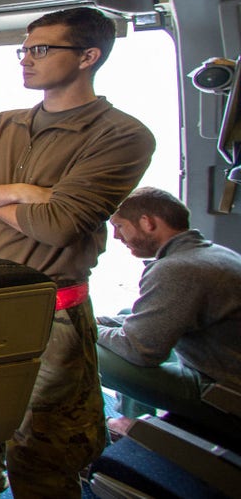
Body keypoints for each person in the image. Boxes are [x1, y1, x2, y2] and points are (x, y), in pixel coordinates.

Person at [0, 7, 156, 498]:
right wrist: (23, 191)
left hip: (51, 314)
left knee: (42, 460)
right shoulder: (1, 125)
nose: (26, 59)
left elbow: (59, 226)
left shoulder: (121, 135)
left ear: (88, 57)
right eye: (24, 48)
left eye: (41, 49)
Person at [96, 187, 241, 439]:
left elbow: (139, 350)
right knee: (126, 313)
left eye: (119, 226)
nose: (117, 236)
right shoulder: (211, 252)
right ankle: (133, 420)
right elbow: (151, 320)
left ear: (147, 222)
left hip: (222, 396)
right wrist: (97, 321)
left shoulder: (176, 269)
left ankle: (131, 428)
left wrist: (82, 326)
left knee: (82, 348)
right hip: (223, 370)